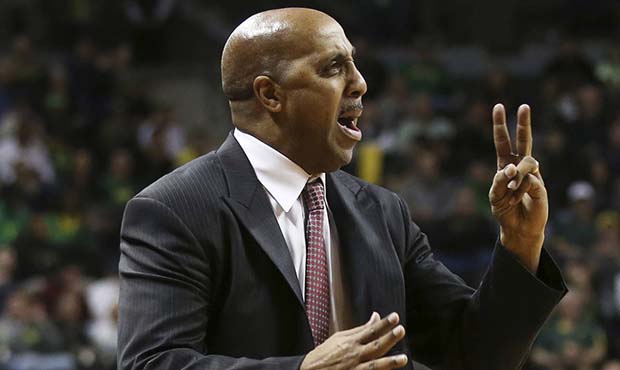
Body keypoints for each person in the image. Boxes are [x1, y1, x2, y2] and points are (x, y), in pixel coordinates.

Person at [117, 7, 567, 370]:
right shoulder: (173, 209)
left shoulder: (382, 212)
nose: (360, 82)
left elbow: (475, 355)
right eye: (334, 67)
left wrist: (521, 243)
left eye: (354, 63)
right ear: (270, 95)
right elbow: (153, 362)